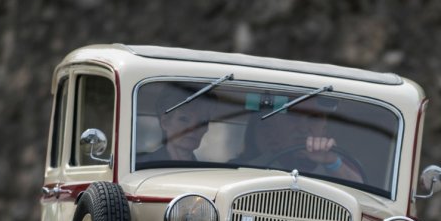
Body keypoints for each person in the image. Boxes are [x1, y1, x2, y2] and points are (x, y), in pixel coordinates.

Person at [234, 111, 364, 183]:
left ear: (324, 127)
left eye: (314, 117)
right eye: (292, 116)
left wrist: (333, 164)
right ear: (276, 126)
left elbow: (363, 197)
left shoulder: (343, 165)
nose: (303, 128)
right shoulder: (250, 167)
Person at [138, 86, 212, 163]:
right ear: (165, 122)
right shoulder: (142, 165)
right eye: (184, 119)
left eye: (202, 122)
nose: (193, 129)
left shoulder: (208, 169)